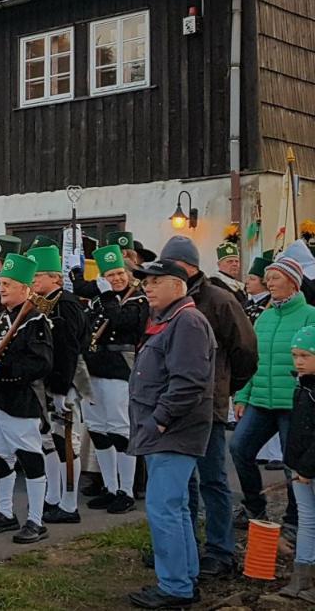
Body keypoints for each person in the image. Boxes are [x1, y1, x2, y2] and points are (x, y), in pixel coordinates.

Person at [156, 235, 257, 580]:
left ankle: (221, 549)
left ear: (187, 266)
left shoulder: (219, 301)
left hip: (208, 405)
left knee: (213, 478)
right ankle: (186, 547)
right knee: (183, 484)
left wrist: (226, 388)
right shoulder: (166, 302)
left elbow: (245, 351)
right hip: (173, 404)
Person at [127, 258, 216, 610]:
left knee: (163, 509)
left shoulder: (188, 321)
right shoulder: (170, 319)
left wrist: (159, 421)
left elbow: (189, 381)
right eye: (145, 281)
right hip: (168, 431)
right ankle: (184, 579)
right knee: (175, 509)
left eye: (155, 281)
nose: (147, 287)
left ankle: (175, 588)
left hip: (173, 432)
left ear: (177, 286)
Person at [230, 256, 315, 527]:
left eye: (275, 277)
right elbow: (253, 360)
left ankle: (294, 519)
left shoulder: (310, 315)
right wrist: (243, 395)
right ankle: (255, 508)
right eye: (268, 278)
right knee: (239, 448)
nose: (269, 282)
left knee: (293, 462)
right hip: (261, 401)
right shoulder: (264, 317)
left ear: (293, 282)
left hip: (295, 404)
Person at [0, 251, 54, 544]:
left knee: (29, 456)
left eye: (9, 283)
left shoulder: (35, 321)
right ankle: (5, 512)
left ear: (26, 288)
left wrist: (5, 369)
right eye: (2, 282)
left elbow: (41, 363)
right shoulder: (0, 319)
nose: (3, 287)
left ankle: (36, 519)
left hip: (20, 400)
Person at [82, 244, 150, 513]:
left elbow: (121, 322)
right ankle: (110, 486)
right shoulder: (99, 300)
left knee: (120, 430)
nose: (117, 279)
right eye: (110, 274)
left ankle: (127, 489)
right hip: (94, 367)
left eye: (120, 273)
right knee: (98, 429)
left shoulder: (138, 300)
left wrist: (109, 295)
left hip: (119, 368)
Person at [27, 243, 88, 525]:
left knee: (65, 442)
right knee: (48, 440)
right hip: (47, 382)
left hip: (62, 383)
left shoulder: (65, 304)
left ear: (55, 278)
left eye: (38, 276)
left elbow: (68, 350)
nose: (34, 281)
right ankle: (53, 496)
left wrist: (62, 389)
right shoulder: (43, 304)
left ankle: (69, 502)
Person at [281, 324, 315, 600]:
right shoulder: (302, 386)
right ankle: (302, 576)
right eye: (295, 355)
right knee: (306, 521)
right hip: (300, 468)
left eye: (305, 355)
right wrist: (294, 463)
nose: (298, 361)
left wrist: (306, 467)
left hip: (310, 468)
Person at [211, 229, 248, 306]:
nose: (234, 264)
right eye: (230, 261)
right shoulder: (214, 283)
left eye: (236, 261)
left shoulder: (240, 285)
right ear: (219, 264)